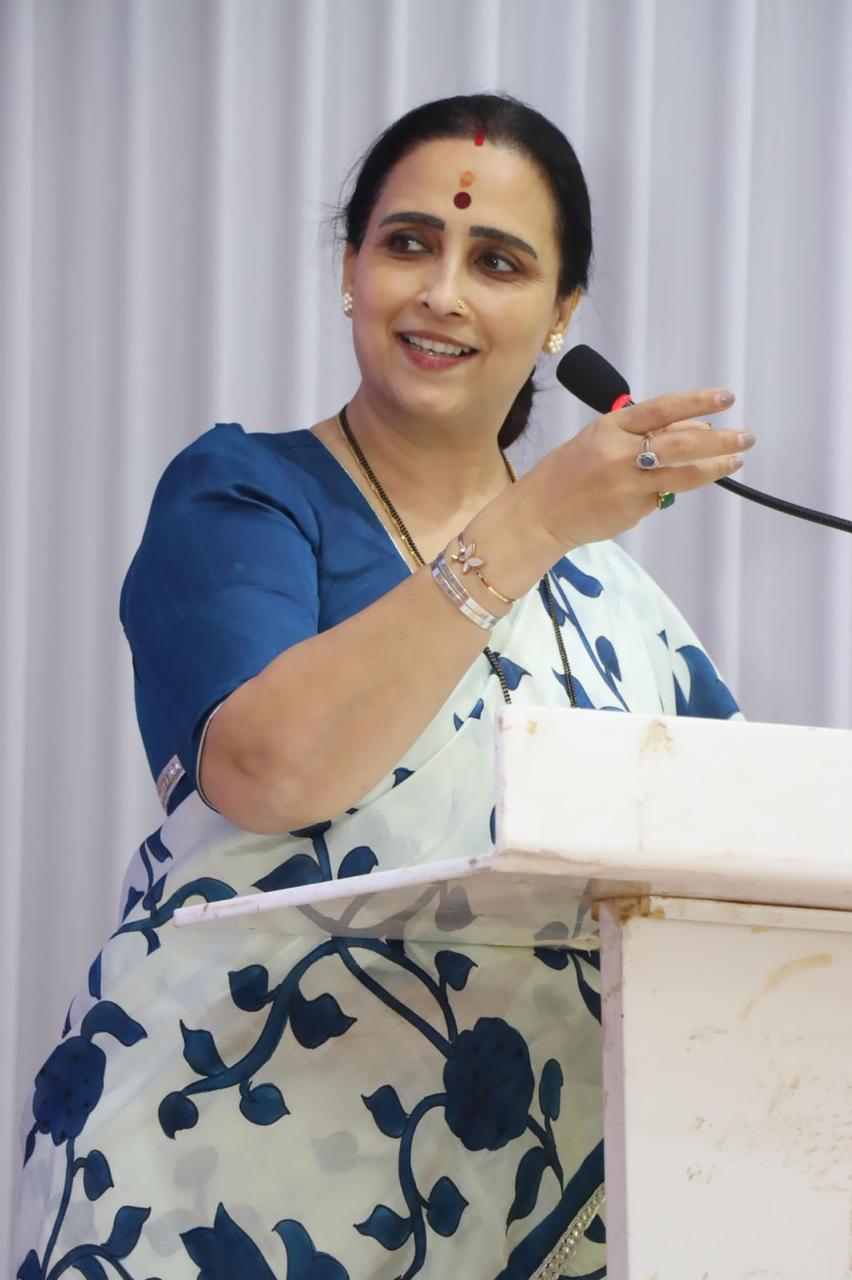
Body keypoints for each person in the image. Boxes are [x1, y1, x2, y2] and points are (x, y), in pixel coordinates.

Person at [15, 93, 748, 1280]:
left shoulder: (621, 607)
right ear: (350, 271)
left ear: (563, 314)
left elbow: (744, 863)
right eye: (409, 242)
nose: (441, 291)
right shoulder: (247, 498)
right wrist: (536, 519)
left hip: (510, 1209)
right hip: (210, 1186)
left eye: (497, 261)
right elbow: (268, 765)